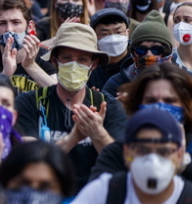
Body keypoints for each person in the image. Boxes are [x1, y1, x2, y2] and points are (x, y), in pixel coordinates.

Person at [14, 23, 127, 190]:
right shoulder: (30, 102)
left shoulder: (107, 106)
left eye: (82, 59)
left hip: (93, 197)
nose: (74, 65)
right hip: (43, 193)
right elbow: (26, 161)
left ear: (93, 65)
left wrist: (98, 133)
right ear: (54, 61)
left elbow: (121, 163)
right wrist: (72, 139)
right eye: (67, 58)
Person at [90, 63, 192, 200]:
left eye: (170, 100)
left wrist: (185, 163)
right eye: (151, 100)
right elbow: (96, 198)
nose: (159, 107)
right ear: (136, 106)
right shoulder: (119, 151)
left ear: (186, 105)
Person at [0, 0, 56, 92]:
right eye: (2, 23)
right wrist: (6, 74)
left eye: (16, 22)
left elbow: (60, 96)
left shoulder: (46, 57)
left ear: (30, 27)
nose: (9, 29)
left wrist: (30, 65)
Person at [103, 10, 173, 98]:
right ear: (133, 53)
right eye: (141, 50)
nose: (148, 54)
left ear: (167, 52)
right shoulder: (116, 83)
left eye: (156, 49)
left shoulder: (184, 81)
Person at [90, 8, 133, 92]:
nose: (113, 39)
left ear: (127, 33)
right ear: (95, 37)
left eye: (118, 32)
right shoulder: (91, 66)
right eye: (105, 34)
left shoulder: (137, 62)